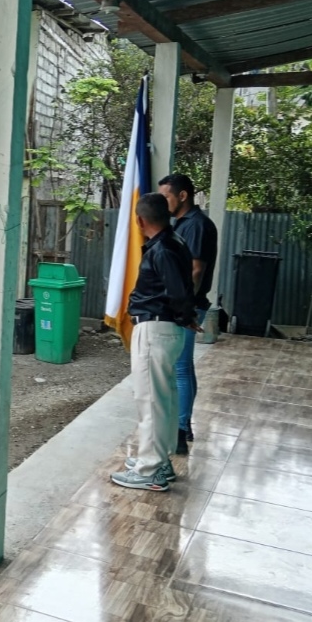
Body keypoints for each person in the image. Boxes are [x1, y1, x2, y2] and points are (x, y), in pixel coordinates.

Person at [111, 193, 198, 492]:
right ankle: (160, 461)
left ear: (140, 220)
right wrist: (185, 316)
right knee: (164, 399)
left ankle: (150, 470)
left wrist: (185, 315)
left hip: (155, 329)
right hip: (165, 329)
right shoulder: (174, 242)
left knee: (150, 401)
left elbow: (176, 292)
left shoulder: (162, 249)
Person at [158, 174, 218, 455]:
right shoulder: (184, 223)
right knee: (184, 367)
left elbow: (195, 270)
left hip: (189, 306)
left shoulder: (196, 225)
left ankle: (180, 430)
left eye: (166, 197)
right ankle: (184, 426)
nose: (163, 203)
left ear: (182, 196)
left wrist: (183, 308)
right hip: (188, 305)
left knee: (179, 368)